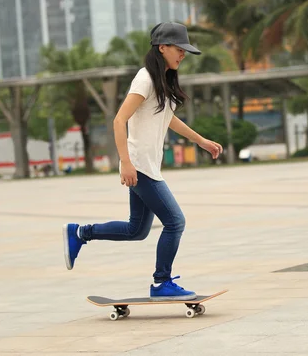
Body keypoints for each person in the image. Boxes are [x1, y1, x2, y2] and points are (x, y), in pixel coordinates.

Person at [62, 22, 223, 301]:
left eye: (185, 51)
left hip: (146, 164)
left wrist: (200, 140)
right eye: (179, 49)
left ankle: (80, 233)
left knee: (136, 230)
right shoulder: (145, 79)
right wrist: (125, 162)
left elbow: (167, 118)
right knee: (175, 222)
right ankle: (161, 283)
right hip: (139, 166)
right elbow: (119, 119)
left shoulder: (163, 80)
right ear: (162, 47)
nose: (182, 55)